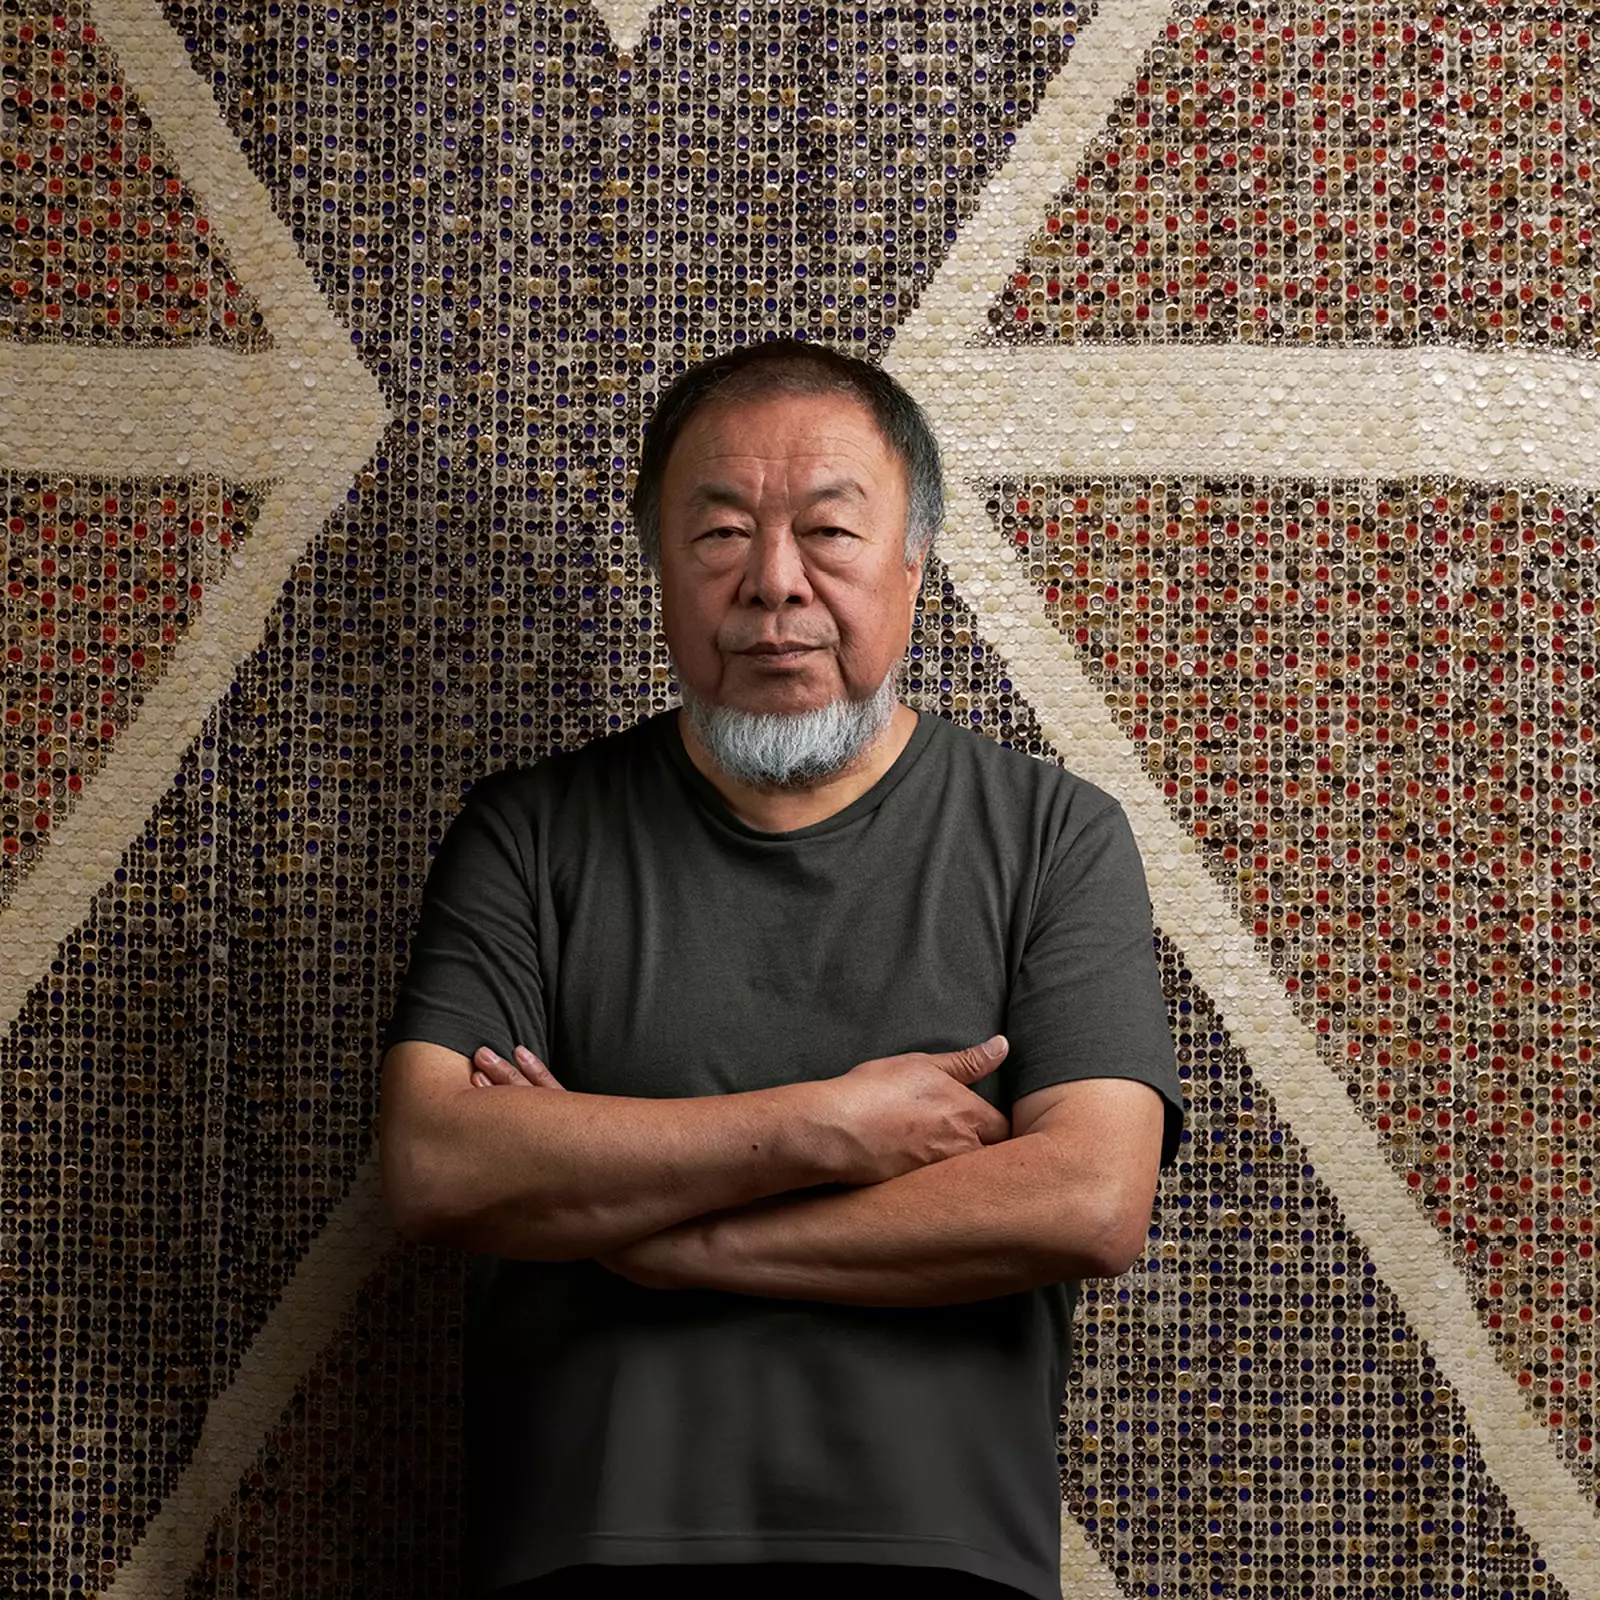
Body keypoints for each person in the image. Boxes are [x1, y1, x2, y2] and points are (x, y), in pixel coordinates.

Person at [378, 339, 1184, 1600]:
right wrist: (831, 1126)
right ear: (658, 560)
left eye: (828, 532)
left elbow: (1085, 1197)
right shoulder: (528, 834)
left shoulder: (1052, 834)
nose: (773, 586)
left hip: (944, 1556)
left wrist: (657, 1230)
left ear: (913, 558)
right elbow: (437, 1164)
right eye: (718, 536)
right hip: (584, 1548)